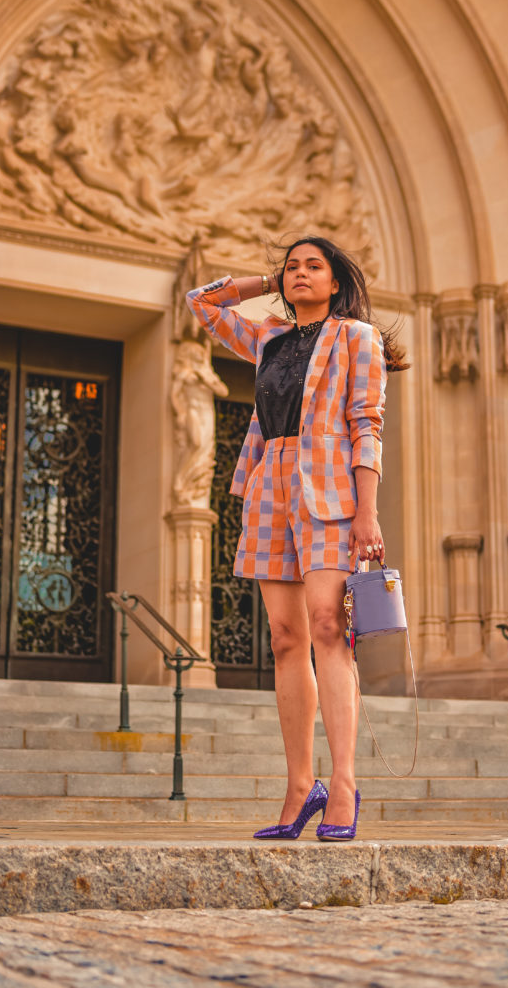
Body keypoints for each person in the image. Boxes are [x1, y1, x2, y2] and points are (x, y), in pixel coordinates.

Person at [187, 235, 407, 841]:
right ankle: (298, 784)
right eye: (293, 267)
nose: (301, 273)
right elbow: (200, 303)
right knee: (286, 639)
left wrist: (369, 511)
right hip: (269, 487)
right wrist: (267, 283)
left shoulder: (356, 338)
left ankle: (342, 783)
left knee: (328, 627)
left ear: (336, 281)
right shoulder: (268, 339)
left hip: (332, 486)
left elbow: (367, 424)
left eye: (315, 266)